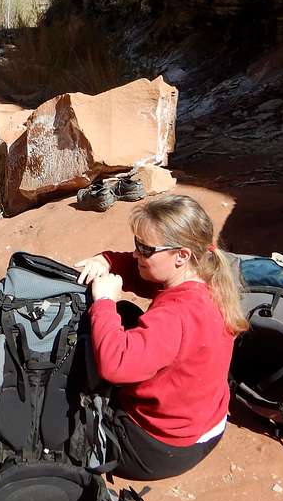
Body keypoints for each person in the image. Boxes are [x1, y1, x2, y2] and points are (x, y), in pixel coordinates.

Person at [75, 194, 248, 480]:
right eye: (136, 245)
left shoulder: (173, 316)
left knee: (69, 403)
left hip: (157, 449)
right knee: (128, 314)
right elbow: (138, 270)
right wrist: (105, 261)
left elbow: (114, 365)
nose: (135, 254)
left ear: (181, 255)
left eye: (145, 248)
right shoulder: (207, 278)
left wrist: (103, 302)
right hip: (206, 426)